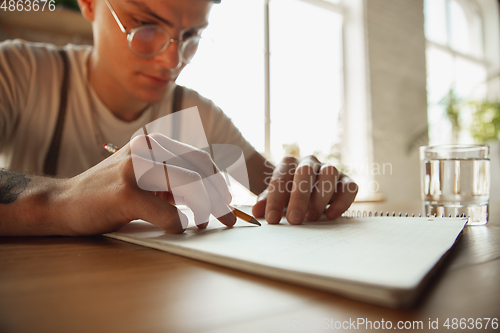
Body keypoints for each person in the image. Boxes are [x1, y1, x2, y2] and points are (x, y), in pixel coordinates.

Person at [0, 0, 358, 236]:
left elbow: (270, 187)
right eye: (145, 25)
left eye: (190, 36)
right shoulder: (19, 72)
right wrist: (65, 198)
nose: (172, 61)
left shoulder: (199, 115)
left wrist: (305, 185)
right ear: (90, 4)